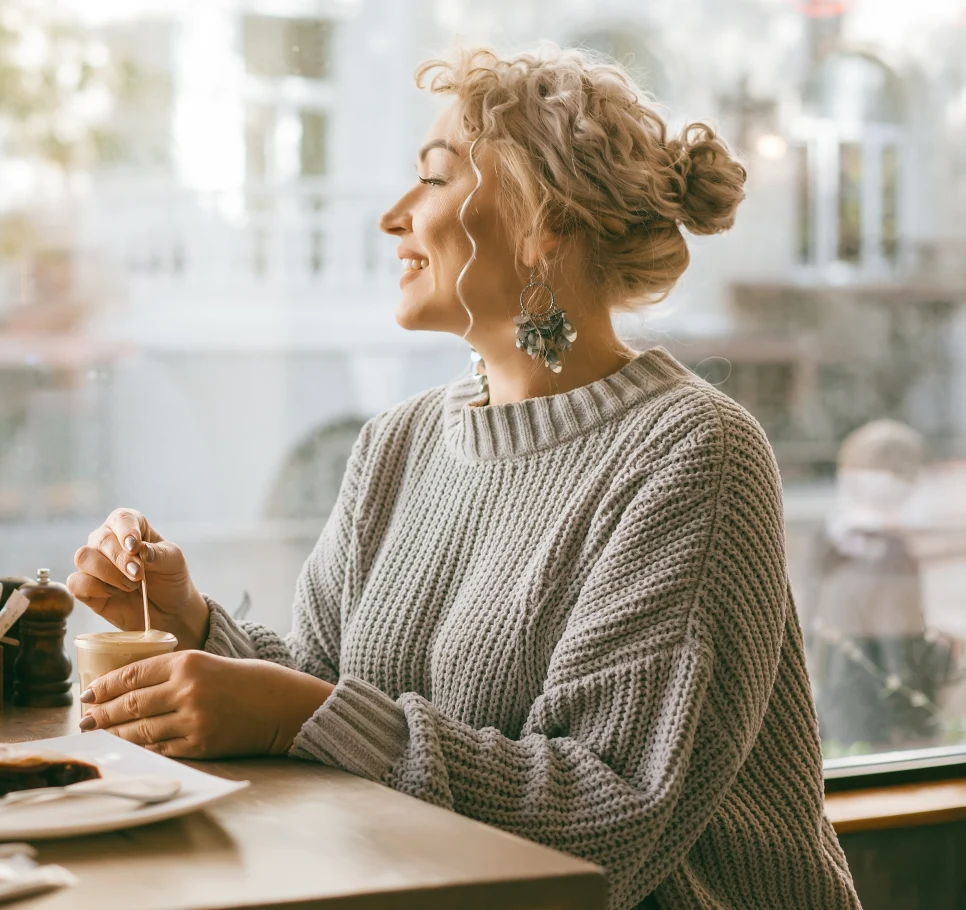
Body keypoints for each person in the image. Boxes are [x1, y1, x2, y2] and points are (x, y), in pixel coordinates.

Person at [67, 45, 860, 910]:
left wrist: (296, 714)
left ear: (544, 223)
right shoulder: (397, 444)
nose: (393, 217)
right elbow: (327, 686)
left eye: (435, 180)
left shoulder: (692, 452)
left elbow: (609, 817)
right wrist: (187, 621)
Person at [806, 420, 959, 752]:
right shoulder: (891, 553)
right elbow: (899, 655)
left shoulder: (830, 538)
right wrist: (948, 652)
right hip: (888, 731)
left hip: (838, 714)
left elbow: (812, 633)